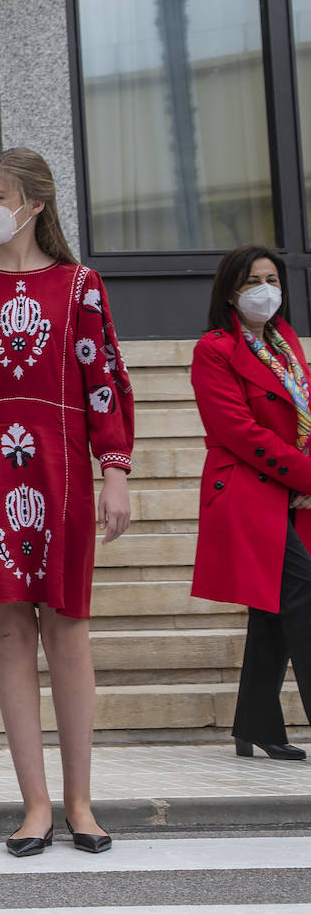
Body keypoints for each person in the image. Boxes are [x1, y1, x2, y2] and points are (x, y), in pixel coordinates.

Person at [0, 147, 134, 856]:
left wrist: (116, 472)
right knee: (9, 632)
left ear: (33, 205)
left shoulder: (81, 287)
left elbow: (105, 383)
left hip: (64, 467)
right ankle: (35, 805)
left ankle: (80, 802)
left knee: (68, 629)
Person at [190, 245, 311, 762]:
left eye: (272, 278)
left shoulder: (285, 341)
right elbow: (237, 431)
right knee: (304, 595)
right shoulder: (214, 349)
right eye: (253, 281)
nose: (266, 289)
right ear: (232, 293)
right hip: (246, 488)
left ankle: (255, 724)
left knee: (273, 607)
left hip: (292, 489)